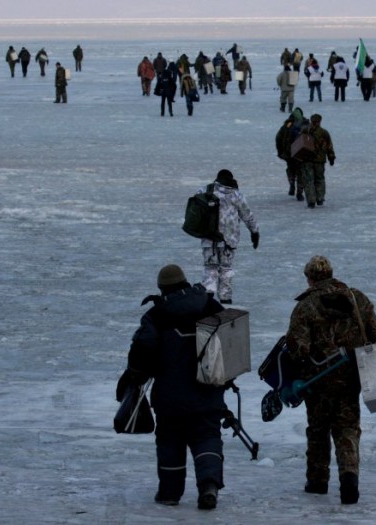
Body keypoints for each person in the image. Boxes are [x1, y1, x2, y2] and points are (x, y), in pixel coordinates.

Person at [116, 263, 226, 510]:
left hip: (170, 395)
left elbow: (142, 350)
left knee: (170, 441)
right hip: (208, 389)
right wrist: (226, 377)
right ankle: (209, 485)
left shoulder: (157, 315)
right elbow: (230, 336)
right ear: (185, 283)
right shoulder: (209, 305)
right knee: (207, 437)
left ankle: (169, 493)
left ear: (162, 289)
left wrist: (134, 376)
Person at [285, 255, 376, 505]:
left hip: (317, 379)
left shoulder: (305, 306)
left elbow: (299, 349)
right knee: (347, 428)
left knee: (318, 429)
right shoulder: (357, 298)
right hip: (351, 376)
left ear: (309, 278)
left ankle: (317, 481)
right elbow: (373, 333)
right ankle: (349, 477)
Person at [199, 169, 260, 304]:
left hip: (209, 240)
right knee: (226, 268)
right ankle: (225, 300)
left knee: (210, 267)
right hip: (229, 241)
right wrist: (254, 232)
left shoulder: (204, 191)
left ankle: (207, 300)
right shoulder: (236, 195)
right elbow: (247, 216)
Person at [300, 114, 336, 208]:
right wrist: (331, 157)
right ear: (320, 121)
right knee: (319, 179)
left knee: (309, 180)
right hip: (319, 160)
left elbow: (298, 145)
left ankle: (311, 201)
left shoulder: (305, 131)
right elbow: (329, 146)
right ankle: (320, 198)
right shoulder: (324, 133)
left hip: (307, 160)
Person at [275, 107, 308, 200]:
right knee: (301, 172)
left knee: (291, 169)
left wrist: (280, 151)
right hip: (302, 153)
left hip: (289, 152)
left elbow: (278, 138)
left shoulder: (287, 124)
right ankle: (299, 193)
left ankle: (292, 184)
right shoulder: (305, 123)